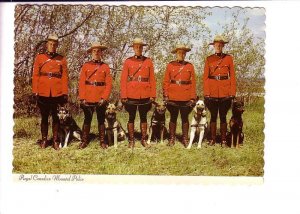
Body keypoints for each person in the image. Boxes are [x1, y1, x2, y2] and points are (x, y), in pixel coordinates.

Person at [32, 33, 68, 150]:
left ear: (57, 45)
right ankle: (44, 140)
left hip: (56, 92)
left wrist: (64, 92)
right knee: (44, 117)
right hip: (43, 91)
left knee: (56, 117)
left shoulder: (61, 59)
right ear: (47, 44)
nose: (52, 46)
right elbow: (36, 75)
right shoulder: (40, 57)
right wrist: (35, 90)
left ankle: (55, 141)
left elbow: (64, 77)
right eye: (50, 44)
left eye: (54, 44)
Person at [120, 38, 156, 148]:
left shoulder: (148, 61)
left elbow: (152, 79)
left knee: (143, 117)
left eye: (140, 47)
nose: (138, 49)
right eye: (136, 47)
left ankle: (144, 139)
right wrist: (124, 95)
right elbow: (123, 80)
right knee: (131, 117)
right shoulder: (128, 61)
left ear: (143, 48)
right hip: (131, 93)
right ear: (133, 48)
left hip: (145, 93)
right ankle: (131, 140)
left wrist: (152, 95)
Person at [203, 35, 236, 147]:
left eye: (220, 45)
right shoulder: (209, 59)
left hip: (225, 91)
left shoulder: (228, 58)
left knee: (223, 116)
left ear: (223, 46)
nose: (218, 47)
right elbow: (206, 77)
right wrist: (207, 92)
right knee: (212, 116)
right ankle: (212, 139)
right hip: (212, 91)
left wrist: (232, 92)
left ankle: (223, 140)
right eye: (216, 45)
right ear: (214, 46)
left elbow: (232, 76)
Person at [78, 42, 112, 149]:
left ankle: (102, 141)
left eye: (98, 51)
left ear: (101, 53)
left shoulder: (105, 67)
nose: (96, 53)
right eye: (94, 51)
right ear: (91, 53)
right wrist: (82, 98)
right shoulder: (86, 66)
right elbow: (82, 83)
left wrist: (104, 98)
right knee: (87, 119)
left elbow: (109, 84)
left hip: (100, 97)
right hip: (88, 96)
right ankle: (84, 140)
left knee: (101, 119)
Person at [163, 44, 196, 148]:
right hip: (173, 95)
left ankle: (185, 139)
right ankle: (172, 138)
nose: (181, 55)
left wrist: (192, 97)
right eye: (179, 53)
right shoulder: (170, 65)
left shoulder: (189, 66)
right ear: (176, 54)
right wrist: (166, 95)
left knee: (185, 118)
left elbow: (193, 83)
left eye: (183, 53)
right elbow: (166, 81)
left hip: (185, 96)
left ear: (185, 54)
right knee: (173, 118)